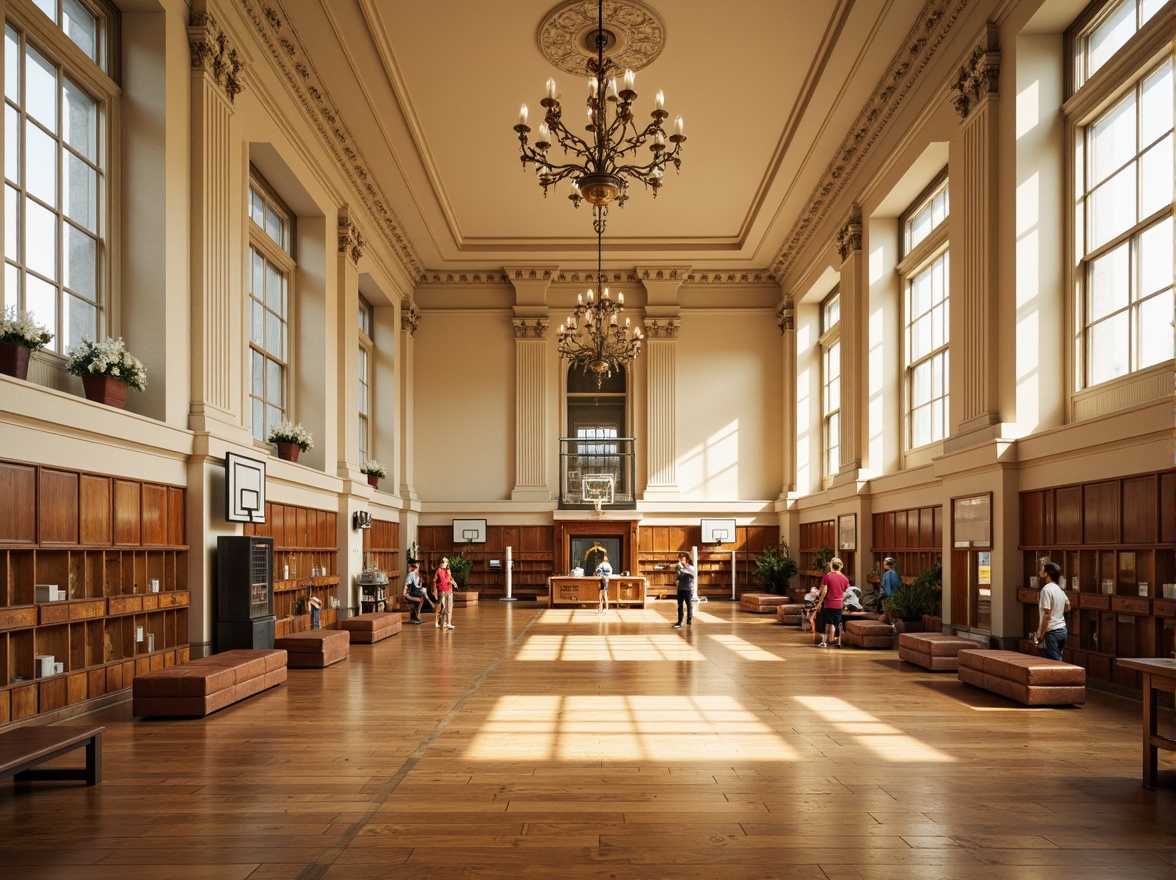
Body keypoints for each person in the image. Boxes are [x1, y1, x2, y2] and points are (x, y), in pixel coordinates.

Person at [1035, 560, 1070, 660]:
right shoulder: (1059, 589)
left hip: (1051, 631)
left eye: (1042, 570)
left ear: (1046, 574)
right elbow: (1068, 606)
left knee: (1053, 662)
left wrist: (1040, 637)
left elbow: (1047, 615)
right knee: (1056, 659)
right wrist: (1058, 613)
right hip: (1062, 630)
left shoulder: (1046, 590)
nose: (1040, 572)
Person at [815, 556, 850, 648]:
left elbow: (823, 590)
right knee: (837, 623)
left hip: (828, 603)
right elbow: (847, 591)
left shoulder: (827, 576)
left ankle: (824, 642)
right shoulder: (845, 578)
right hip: (839, 604)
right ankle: (838, 642)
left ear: (832, 565)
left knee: (827, 623)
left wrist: (819, 601)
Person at [672, 552, 696, 629]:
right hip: (681, 588)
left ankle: (689, 620)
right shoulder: (679, 567)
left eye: (683, 559)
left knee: (689, 605)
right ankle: (680, 621)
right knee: (680, 606)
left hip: (688, 589)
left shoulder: (691, 568)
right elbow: (679, 576)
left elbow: (689, 573)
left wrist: (682, 567)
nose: (681, 561)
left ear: (687, 560)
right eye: (680, 559)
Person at [433, 557, 456, 630]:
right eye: (445, 562)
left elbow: (451, 579)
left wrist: (452, 582)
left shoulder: (448, 571)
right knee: (441, 606)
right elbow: (434, 581)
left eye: (446, 562)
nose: (446, 564)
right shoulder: (439, 571)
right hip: (442, 590)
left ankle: (448, 622)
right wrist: (434, 590)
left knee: (448, 606)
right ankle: (438, 621)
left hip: (449, 590)